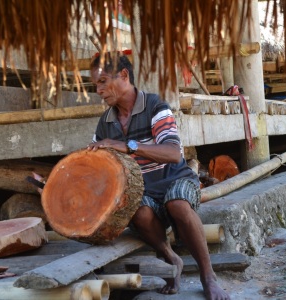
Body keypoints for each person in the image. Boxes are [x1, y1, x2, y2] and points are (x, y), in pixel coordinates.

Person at [85, 52, 230, 300]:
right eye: (95, 84)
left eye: (103, 81)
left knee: (178, 203)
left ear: (123, 76)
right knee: (136, 210)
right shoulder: (105, 123)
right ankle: (171, 258)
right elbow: (95, 166)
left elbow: (173, 153)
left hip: (175, 178)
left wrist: (129, 146)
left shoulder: (154, 106)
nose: (98, 89)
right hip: (144, 190)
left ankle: (208, 276)